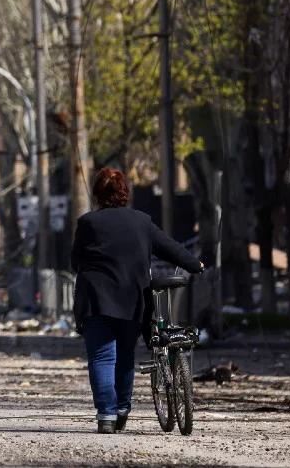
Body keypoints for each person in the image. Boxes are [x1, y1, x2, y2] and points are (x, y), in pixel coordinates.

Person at [71, 167, 203, 434]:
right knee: (125, 356)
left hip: (96, 299)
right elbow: (170, 247)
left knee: (101, 357)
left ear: (97, 193)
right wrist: (194, 264)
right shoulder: (141, 221)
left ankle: (106, 416)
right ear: (124, 193)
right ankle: (121, 408)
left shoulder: (87, 223)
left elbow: (75, 262)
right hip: (133, 301)